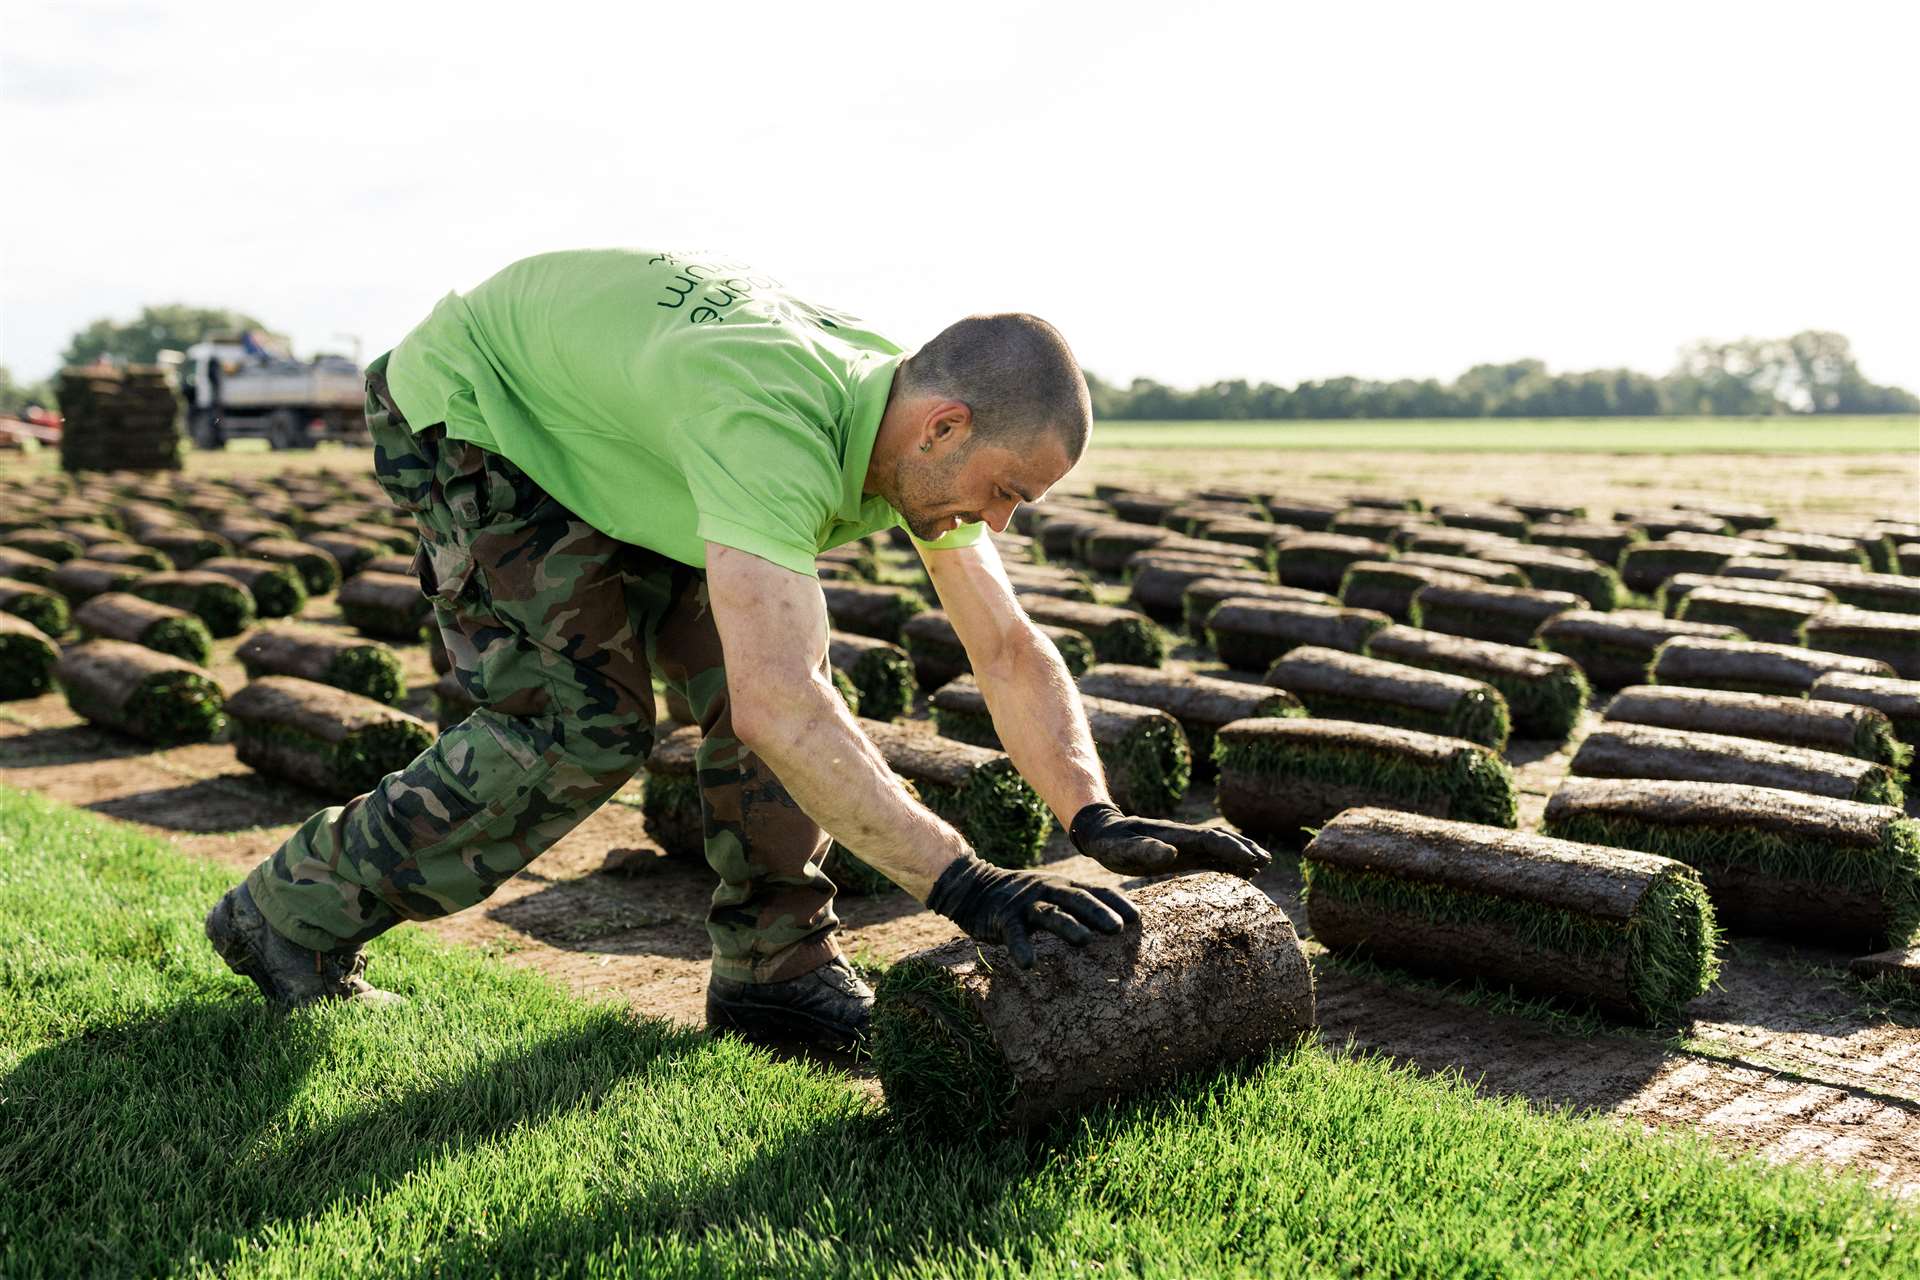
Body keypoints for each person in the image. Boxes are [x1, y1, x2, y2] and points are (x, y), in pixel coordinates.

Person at [204, 248, 1269, 1050]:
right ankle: (285, 916)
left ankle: (773, 970)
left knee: (763, 684)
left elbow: (1005, 645)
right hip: (483, 411)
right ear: (944, 426)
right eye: (1006, 491)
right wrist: (967, 884)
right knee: (584, 722)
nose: (999, 523)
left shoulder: (913, 431)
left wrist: (1094, 811)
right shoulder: (774, 424)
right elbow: (780, 702)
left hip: (627, 440)